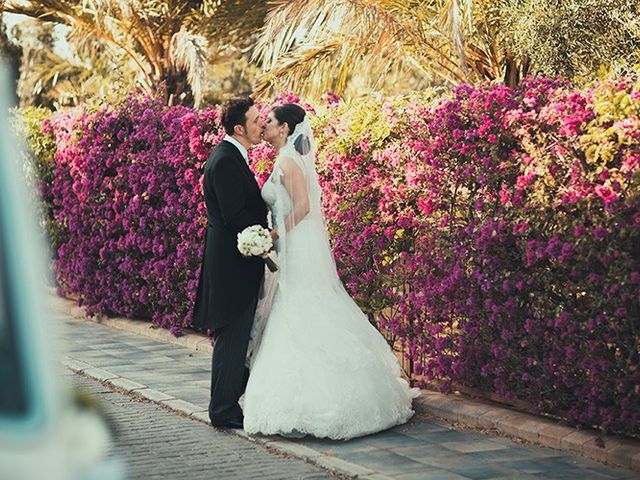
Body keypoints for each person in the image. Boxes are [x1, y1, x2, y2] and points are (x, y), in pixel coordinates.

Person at [242, 104, 419, 440]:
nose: (265, 126)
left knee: (303, 306)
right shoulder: (282, 160)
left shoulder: (289, 161)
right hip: (292, 247)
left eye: (271, 122)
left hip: (296, 246)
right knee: (298, 308)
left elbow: (304, 206)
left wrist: (273, 235)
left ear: (285, 129)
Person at [192, 97, 273, 429]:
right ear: (239, 128)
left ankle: (226, 403)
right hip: (232, 264)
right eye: (255, 120)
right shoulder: (226, 160)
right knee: (232, 335)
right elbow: (235, 216)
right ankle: (223, 410)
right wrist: (267, 238)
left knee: (237, 336)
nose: (261, 124)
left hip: (234, 261)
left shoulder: (231, 156)